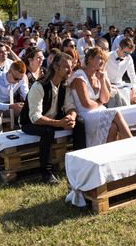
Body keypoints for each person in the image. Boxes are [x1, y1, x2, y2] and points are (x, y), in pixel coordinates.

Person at [20, 52, 86, 184]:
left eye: (71, 67)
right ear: (56, 68)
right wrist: (59, 123)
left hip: (53, 119)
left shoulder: (64, 85)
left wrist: (71, 117)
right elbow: (35, 117)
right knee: (47, 132)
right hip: (30, 123)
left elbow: (70, 107)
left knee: (79, 122)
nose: (70, 70)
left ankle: (79, 163)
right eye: (66, 67)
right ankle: (47, 172)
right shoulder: (39, 86)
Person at [70, 47, 133, 147]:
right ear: (89, 59)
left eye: (104, 59)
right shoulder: (79, 77)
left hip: (96, 111)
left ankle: (108, 156)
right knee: (116, 112)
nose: (102, 61)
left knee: (113, 127)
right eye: (99, 58)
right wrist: (99, 103)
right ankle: (133, 144)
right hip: (84, 114)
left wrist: (102, 80)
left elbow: (105, 99)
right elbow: (86, 104)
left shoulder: (97, 75)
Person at [0, 60, 29, 134]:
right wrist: (11, 106)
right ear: (9, 71)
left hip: (8, 106)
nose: (18, 81)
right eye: (16, 79)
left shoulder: (21, 78)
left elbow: (27, 95)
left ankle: (26, 136)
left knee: (28, 109)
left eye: (20, 79)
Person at [107, 38, 136, 104]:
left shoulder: (129, 58)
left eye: (129, 53)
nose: (127, 55)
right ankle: (127, 113)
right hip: (108, 85)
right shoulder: (108, 56)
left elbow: (132, 75)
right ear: (119, 48)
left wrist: (134, 89)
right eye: (125, 53)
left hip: (120, 84)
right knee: (126, 91)